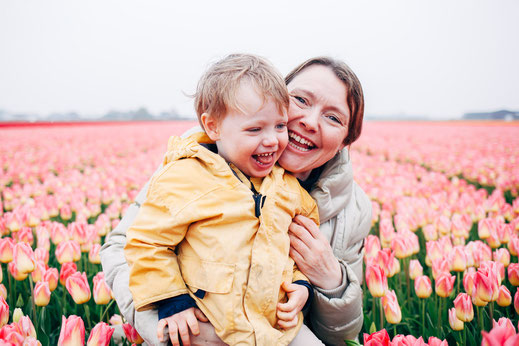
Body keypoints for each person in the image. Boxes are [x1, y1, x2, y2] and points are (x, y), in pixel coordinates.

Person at [101, 56, 372, 346]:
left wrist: (329, 282)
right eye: (301, 100)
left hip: (278, 333)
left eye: (333, 117)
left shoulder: (344, 208)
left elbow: (343, 337)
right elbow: (131, 246)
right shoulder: (192, 166)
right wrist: (171, 319)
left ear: (346, 140)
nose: (309, 121)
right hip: (198, 328)